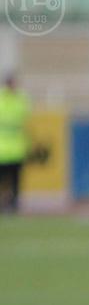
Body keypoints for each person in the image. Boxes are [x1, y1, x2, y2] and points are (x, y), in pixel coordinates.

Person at [0, 73, 30, 214]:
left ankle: (13, 203)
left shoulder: (21, 99)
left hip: (17, 148)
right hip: (3, 148)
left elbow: (24, 121)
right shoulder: (2, 99)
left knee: (15, 179)